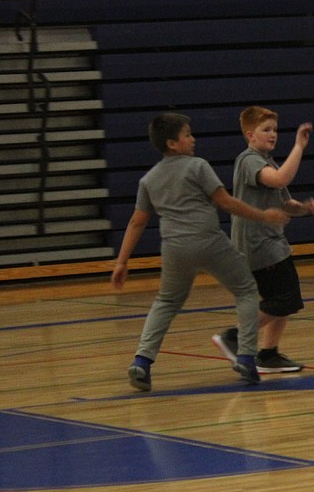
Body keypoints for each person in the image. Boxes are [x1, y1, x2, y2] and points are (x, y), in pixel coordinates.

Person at [112, 112, 291, 391]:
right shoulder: (198, 166)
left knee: (166, 302)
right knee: (245, 290)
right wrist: (263, 215)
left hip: (174, 248)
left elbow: (137, 222)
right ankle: (245, 356)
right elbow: (228, 203)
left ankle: (141, 362)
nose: (192, 139)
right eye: (187, 135)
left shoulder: (149, 179)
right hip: (208, 241)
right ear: (173, 143)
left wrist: (121, 262)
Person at [211, 106, 314, 374]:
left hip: (273, 242)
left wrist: (302, 208)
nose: (272, 135)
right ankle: (234, 336)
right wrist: (299, 146)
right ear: (250, 134)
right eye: (266, 130)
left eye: (274, 129)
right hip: (260, 245)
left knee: (280, 299)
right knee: (287, 299)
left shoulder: (265, 161)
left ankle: (269, 354)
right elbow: (281, 178)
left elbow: (283, 199)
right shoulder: (248, 160)